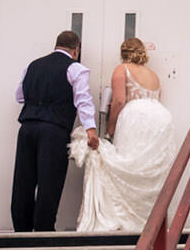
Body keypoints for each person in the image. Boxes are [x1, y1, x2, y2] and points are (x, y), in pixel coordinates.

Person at [71, 36, 177, 232]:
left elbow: (119, 101)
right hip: (161, 120)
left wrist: (110, 130)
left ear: (123, 53)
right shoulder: (154, 75)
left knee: (129, 163)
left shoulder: (122, 69)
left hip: (137, 118)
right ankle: (150, 221)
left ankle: (128, 218)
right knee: (149, 169)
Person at [9, 29, 98, 232]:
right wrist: (90, 130)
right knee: (49, 181)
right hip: (54, 130)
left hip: (27, 128)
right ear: (75, 50)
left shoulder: (33, 65)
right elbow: (83, 100)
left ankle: (21, 230)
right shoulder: (75, 68)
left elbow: (19, 96)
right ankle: (43, 230)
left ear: (56, 45)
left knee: (23, 180)